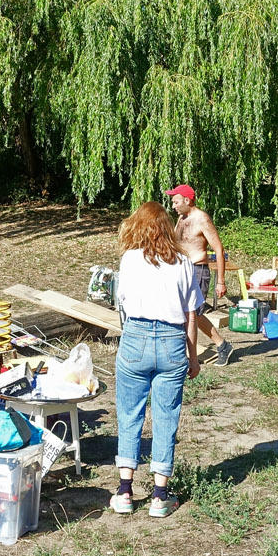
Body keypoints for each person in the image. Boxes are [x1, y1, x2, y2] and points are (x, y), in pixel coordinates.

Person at [112, 201, 202, 518]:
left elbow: (122, 305)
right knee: (166, 417)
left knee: (129, 413)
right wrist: (193, 357)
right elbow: (192, 317)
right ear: (167, 228)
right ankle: (160, 496)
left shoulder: (130, 260)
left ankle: (125, 491)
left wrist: (131, 339)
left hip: (135, 337)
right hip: (172, 341)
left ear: (136, 226)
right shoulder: (184, 262)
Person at [166, 184, 233, 366]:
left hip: (197, 271)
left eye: (176, 202)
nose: (173, 206)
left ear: (187, 200)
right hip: (180, 270)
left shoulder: (202, 219)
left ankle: (221, 345)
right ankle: (216, 346)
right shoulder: (181, 218)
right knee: (186, 313)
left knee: (194, 313)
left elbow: (218, 249)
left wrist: (220, 281)